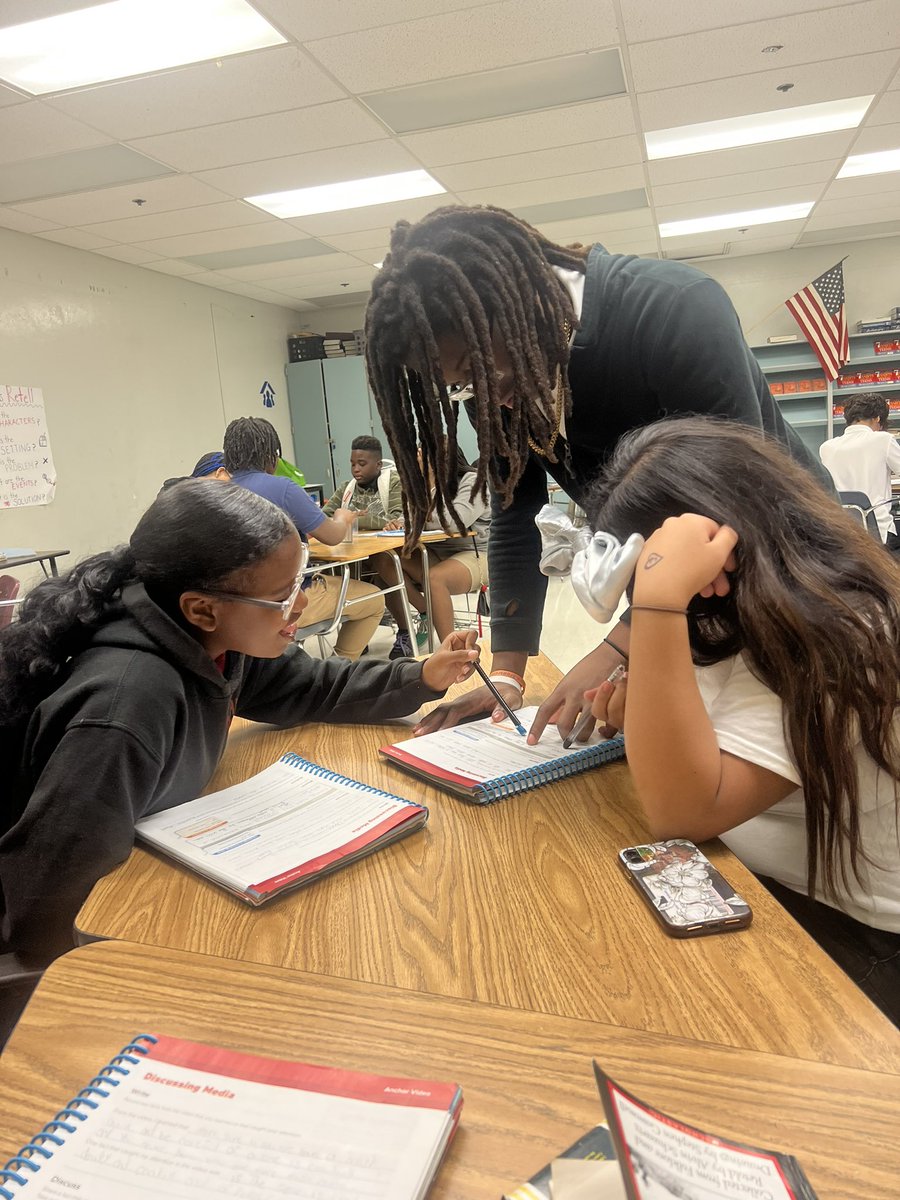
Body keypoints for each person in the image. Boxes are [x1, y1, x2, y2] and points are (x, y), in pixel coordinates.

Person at [364, 204, 834, 740]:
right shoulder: (504, 376)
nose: (485, 393)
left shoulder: (675, 308)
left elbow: (736, 505)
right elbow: (516, 519)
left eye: (475, 369)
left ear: (512, 302)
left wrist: (619, 644)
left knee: (791, 758)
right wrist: (507, 677)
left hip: (793, 570)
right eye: (462, 385)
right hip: (676, 590)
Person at [0, 480, 479, 989]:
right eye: (282, 596)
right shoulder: (127, 705)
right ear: (202, 609)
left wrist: (422, 675)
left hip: (154, 868)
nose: (300, 607)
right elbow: (45, 899)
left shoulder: (216, 642)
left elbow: (313, 685)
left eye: (303, 582)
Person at [582, 416, 900, 1024]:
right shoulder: (745, 611)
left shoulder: (841, 631)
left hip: (857, 933)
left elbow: (685, 810)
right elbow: (709, 727)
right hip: (763, 877)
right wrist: (645, 707)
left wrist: (657, 606)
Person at [223, 416, 384, 661]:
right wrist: (342, 517)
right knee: (374, 599)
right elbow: (331, 536)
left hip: (234, 608)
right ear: (272, 456)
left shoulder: (219, 491)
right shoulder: (283, 488)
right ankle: (336, 671)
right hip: (284, 603)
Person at [371, 446, 490, 657]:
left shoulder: (473, 481)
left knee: (435, 578)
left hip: (476, 553)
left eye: (420, 453)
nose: (415, 457)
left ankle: (450, 651)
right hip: (436, 551)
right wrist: (397, 524)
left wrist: (425, 502)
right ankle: (423, 614)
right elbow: (408, 519)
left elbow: (455, 522)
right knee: (384, 561)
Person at [819, 392, 900, 547]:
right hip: (878, 533)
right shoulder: (883, 439)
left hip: (842, 533)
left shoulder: (827, 448)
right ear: (877, 418)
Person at [322, 435, 403, 530]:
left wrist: (353, 520)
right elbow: (322, 518)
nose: (356, 469)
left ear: (378, 465)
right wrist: (347, 518)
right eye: (353, 464)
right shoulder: (346, 488)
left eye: (362, 464)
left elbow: (397, 519)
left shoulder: (394, 482)